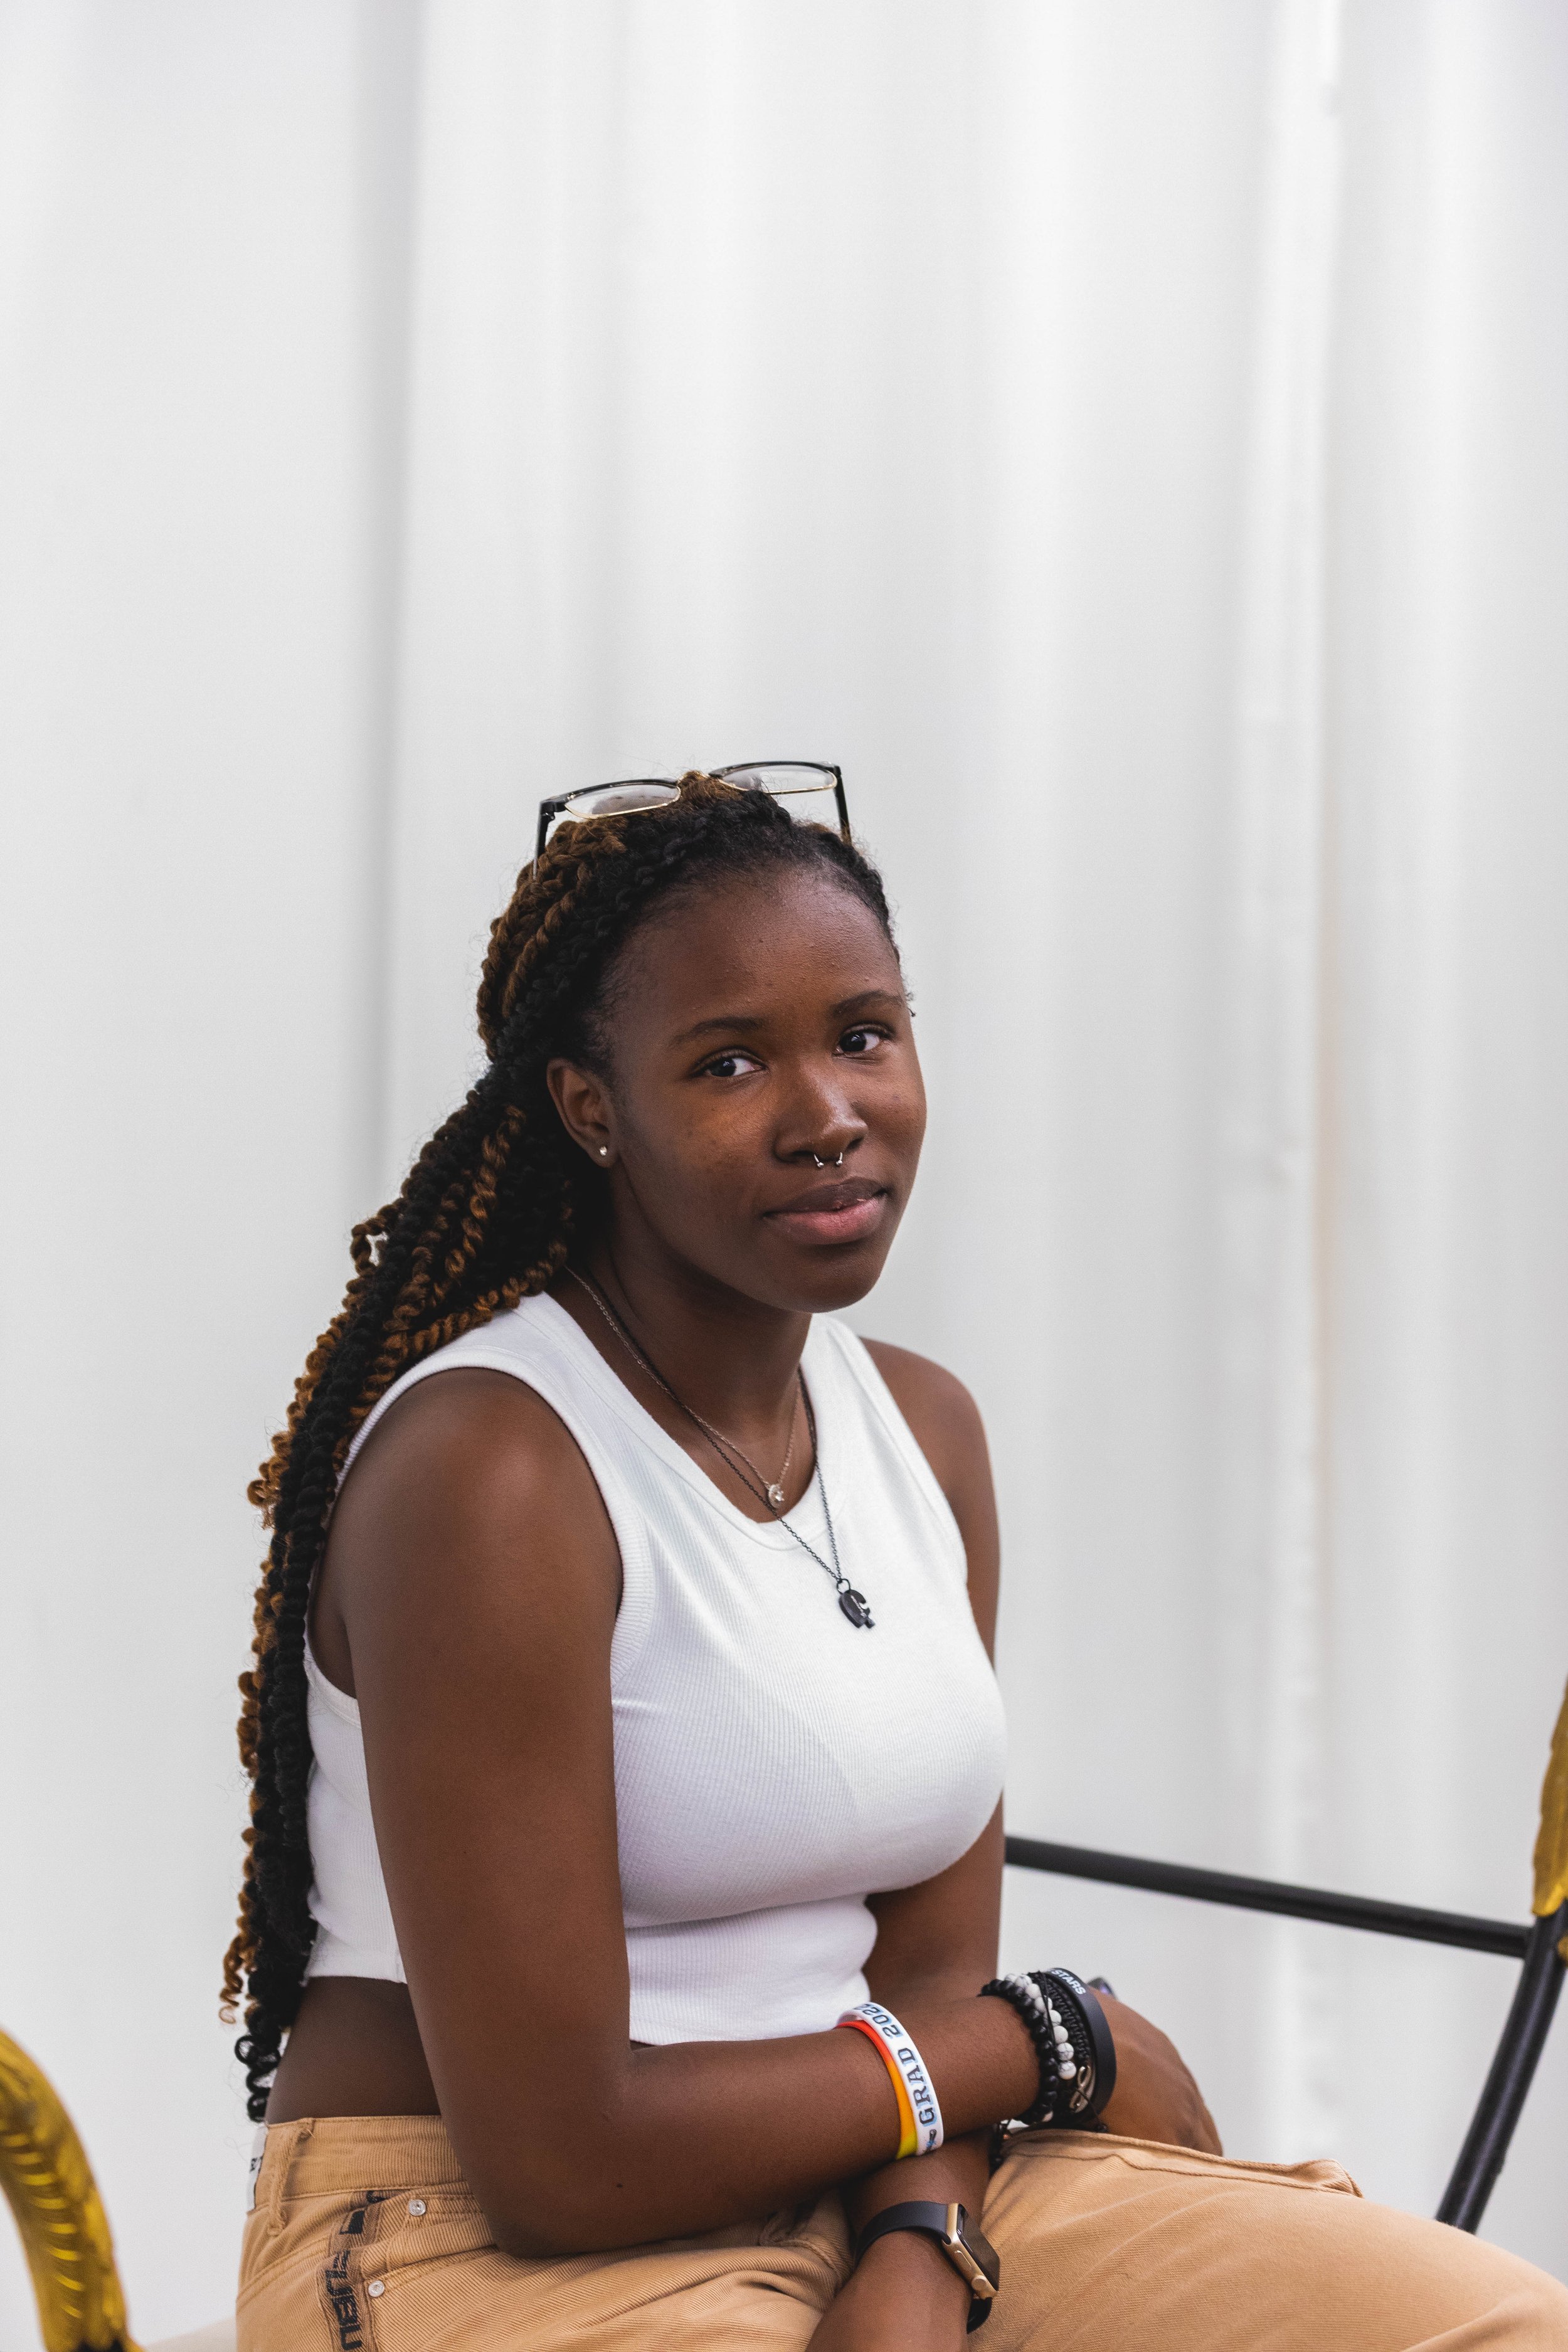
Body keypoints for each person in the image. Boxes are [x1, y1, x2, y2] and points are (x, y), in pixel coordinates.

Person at [228, 770, 1567, 2349]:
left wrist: (921, 2253)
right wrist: (1054, 2041)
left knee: (1487, 2324)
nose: (826, 1116)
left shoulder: (921, 1433)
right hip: (469, 2225)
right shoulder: (494, 1471)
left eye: (862, 1035)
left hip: (868, 2169)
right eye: (729, 1063)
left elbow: (933, 1981)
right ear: (592, 1109)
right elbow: (559, 2159)